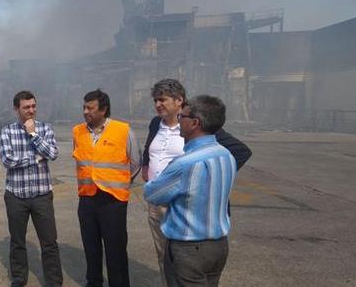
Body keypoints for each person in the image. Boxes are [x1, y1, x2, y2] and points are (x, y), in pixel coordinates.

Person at [140, 79, 251, 284]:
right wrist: (146, 165)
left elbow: (152, 193)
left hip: (186, 224)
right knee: (164, 258)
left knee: (181, 269)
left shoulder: (190, 157)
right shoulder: (222, 155)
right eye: (155, 100)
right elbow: (149, 149)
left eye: (162, 100)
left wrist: (204, 180)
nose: (157, 105)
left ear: (179, 102)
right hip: (213, 240)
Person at [72, 89, 139, 287]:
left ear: (104, 110)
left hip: (113, 200)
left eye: (90, 108)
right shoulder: (78, 131)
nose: (85, 111)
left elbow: (135, 162)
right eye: (84, 107)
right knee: (91, 247)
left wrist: (117, 183)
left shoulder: (123, 130)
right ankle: (93, 282)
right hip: (87, 199)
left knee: (115, 249)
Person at [0, 90, 63, 287]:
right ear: (16, 109)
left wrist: (33, 134)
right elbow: (7, 160)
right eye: (26, 107)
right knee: (17, 241)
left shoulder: (45, 129)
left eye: (33, 106)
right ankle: (19, 279)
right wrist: (35, 158)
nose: (31, 110)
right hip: (16, 195)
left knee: (49, 242)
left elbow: (52, 153)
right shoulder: (7, 131)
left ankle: (54, 282)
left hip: (42, 195)